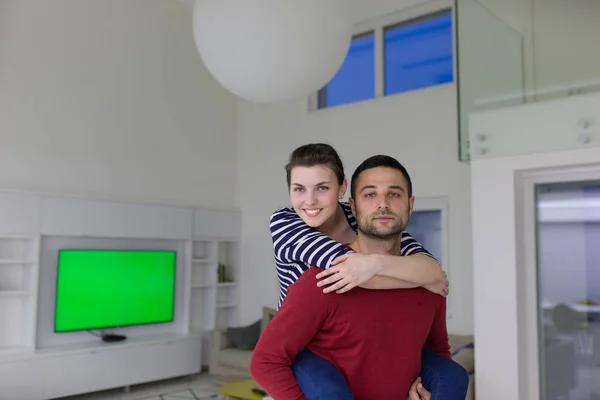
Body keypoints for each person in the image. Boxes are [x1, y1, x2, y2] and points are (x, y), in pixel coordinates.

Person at [267, 144, 468, 399]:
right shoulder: (286, 224)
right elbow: (352, 274)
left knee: (453, 376)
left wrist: (380, 265)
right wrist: (421, 279)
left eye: (322, 188)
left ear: (341, 190)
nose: (309, 200)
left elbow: (427, 265)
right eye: (299, 189)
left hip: (348, 338)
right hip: (305, 345)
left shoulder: (363, 220)